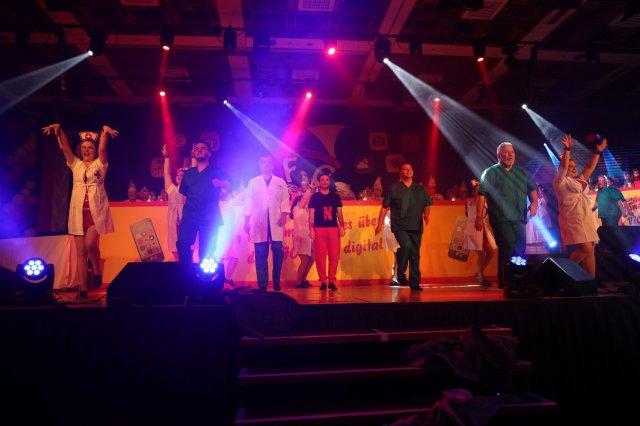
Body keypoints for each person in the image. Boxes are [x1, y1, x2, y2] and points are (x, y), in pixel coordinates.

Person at [42, 123, 118, 300]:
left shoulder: (100, 164)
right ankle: (83, 289)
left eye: (90, 147)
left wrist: (104, 132)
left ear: (94, 150)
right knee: (81, 253)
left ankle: (97, 269)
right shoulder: (75, 164)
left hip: (96, 212)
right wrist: (60, 130)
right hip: (78, 213)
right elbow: (65, 148)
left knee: (90, 245)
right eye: (84, 147)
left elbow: (103, 148)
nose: (86, 150)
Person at [476, 142, 538, 289]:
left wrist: (534, 203)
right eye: (506, 152)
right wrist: (479, 217)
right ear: (499, 155)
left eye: (512, 152)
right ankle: (504, 278)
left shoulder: (521, 172)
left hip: (519, 216)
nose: (510, 154)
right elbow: (482, 195)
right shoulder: (490, 173)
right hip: (500, 217)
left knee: (520, 248)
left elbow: (532, 189)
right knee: (508, 245)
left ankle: (518, 277)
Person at [552, 134, 605, 277]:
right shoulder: (559, 181)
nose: (573, 168)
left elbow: (589, 168)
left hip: (585, 216)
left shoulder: (579, 180)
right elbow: (563, 166)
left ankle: (590, 281)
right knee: (585, 249)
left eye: (575, 166)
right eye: (570, 166)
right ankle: (562, 274)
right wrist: (567, 149)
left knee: (590, 250)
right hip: (572, 218)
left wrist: (597, 152)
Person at [375, 162, 433, 292]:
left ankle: (414, 282)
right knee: (406, 245)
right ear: (400, 172)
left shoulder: (420, 189)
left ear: (413, 171)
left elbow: (427, 204)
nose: (408, 171)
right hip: (400, 225)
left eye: (410, 169)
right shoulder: (394, 188)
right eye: (405, 169)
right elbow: (384, 208)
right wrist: (379, 224)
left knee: (415, 254)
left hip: (416, 225)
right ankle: (400, 274)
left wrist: (426, 215)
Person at [243, 154, 290, 291]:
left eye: (269, 162)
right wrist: (246, 221)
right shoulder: (253, 182)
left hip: (276, 221)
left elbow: (285, 200)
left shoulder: (280, 182)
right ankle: (262, 284)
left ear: (272, 165)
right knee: (260, 253)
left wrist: (284, 215)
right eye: (263, 162)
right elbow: (248, 202)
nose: (266, 164)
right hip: (259, 221)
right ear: (259, 165)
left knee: (278, 251)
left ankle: (276, 281)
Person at [176, 141, 228, 265]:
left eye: (203, 148)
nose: (199, 150)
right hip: (190, 215)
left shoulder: (216, 171)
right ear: (194, 153)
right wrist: (184, 214)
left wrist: (220, 183)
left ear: (209, 154)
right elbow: (184, 196)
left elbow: (228, 185)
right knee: (183, 243)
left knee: (207, 251)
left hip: (209, 216)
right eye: (197, 148)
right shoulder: (188, 174)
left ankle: (203, 276)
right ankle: (187, 272)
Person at [309, 173, 345, 291]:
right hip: (318, 228)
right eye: (322, 180)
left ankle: (332, 281)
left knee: (334, 256)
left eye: (327, 180)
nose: (324, 181)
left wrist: (342, 226)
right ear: (319, 182)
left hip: (333, 228)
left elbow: (339, 213)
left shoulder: (335, 197)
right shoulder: (314, 197)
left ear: (329, 182)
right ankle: (323, 281)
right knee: (320, 256)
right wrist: (311, 229)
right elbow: (311, 214)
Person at [463, 179, 497, 287]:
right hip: (475, 229)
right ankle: (481, 276)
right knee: (482, 254)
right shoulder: (474, 200)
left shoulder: (480, 200)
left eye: (481, 190)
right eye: (477, 190)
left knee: (489, 252)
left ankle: (480, 273)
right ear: (474, 193)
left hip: (479, 229)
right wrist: (476, 184)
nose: (480, 192)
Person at [161, 144, 186, 261]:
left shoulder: (189, 189)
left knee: (187, 246)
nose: (179, 176)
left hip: (185, 220)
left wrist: (194, 159)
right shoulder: (171, 189)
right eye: (178, 175)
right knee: (174, 246)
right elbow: (166, 174)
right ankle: (177, 266)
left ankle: (187, 267)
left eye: (182, 175)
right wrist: (167, 158)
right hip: (173, 221)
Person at [290, 177, 315, 289]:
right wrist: (310, 188)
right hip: (301, 236)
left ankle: (303, 280)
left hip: (307, 236)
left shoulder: (306, 210)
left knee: (312, 258)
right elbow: (304, 199)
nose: (307, 201)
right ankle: (298, 282)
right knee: (305, 259)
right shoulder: (297, 208)